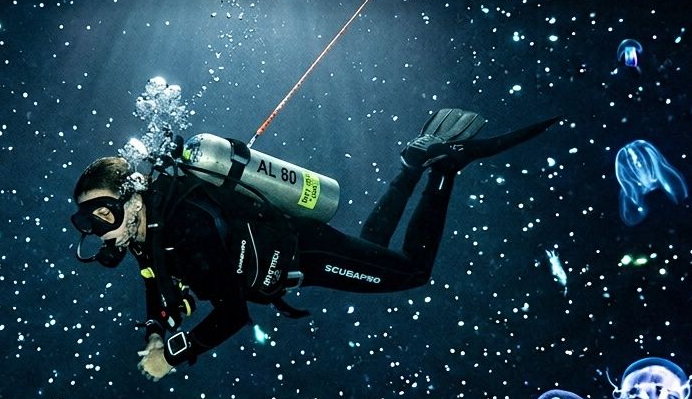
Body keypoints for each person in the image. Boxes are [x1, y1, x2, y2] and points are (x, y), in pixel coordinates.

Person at [70, 109, 559, 381]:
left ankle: (445, 168)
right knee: (370, 247)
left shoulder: (183, 224)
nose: (99, 229)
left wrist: (173, 355)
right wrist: (157, 328)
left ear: (133, 195)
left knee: (411, 271)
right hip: (297, 257)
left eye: (103, 213)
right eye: (86, 222)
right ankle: (412, 165)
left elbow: (233, 313)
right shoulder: (146, 233)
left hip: (307, 253)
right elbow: (156, 281)